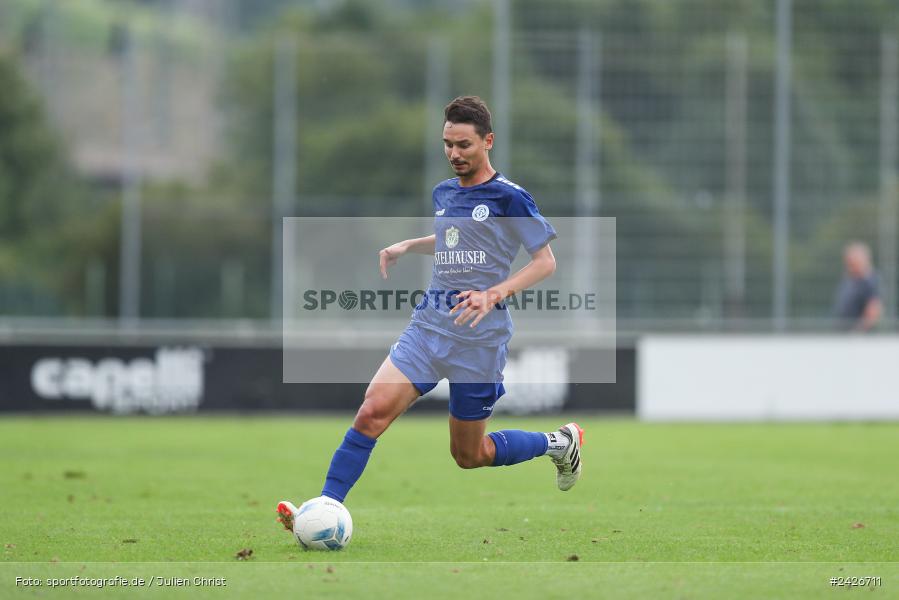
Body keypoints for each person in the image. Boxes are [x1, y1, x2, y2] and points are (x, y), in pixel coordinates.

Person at [277, 96, 584, 532]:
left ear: (488, 141)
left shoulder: (510, 197)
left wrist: (492, 294)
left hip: (478, 339)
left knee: (469, 456)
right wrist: (409, 244)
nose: (454, 154)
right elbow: (455, 237)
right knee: (371, 412)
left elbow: (545, 261)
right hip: (428, 327)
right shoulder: (444, 191)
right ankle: (325, 507)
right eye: (447, 145)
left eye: (464, 145)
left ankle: (557, 442)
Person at [833, 241, 881, 331]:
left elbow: (873, 310)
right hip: (844, 334)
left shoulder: (869, 282)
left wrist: (858, 332)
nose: (849, 266)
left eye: (852, 263)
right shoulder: (851, 279)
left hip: (859, 339)